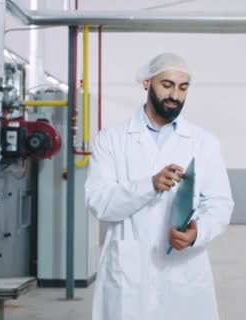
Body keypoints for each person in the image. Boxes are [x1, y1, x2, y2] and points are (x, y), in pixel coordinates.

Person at [86, 53, 234, 320]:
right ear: (147, 83)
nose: (175, 95)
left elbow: (220, 204)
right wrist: (149, 185)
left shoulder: (203, 142)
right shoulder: (111, 140)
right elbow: (99, 202)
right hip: (128, 274)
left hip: (183, 273)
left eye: (183, 87)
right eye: (167, 84)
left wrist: (197, 233)